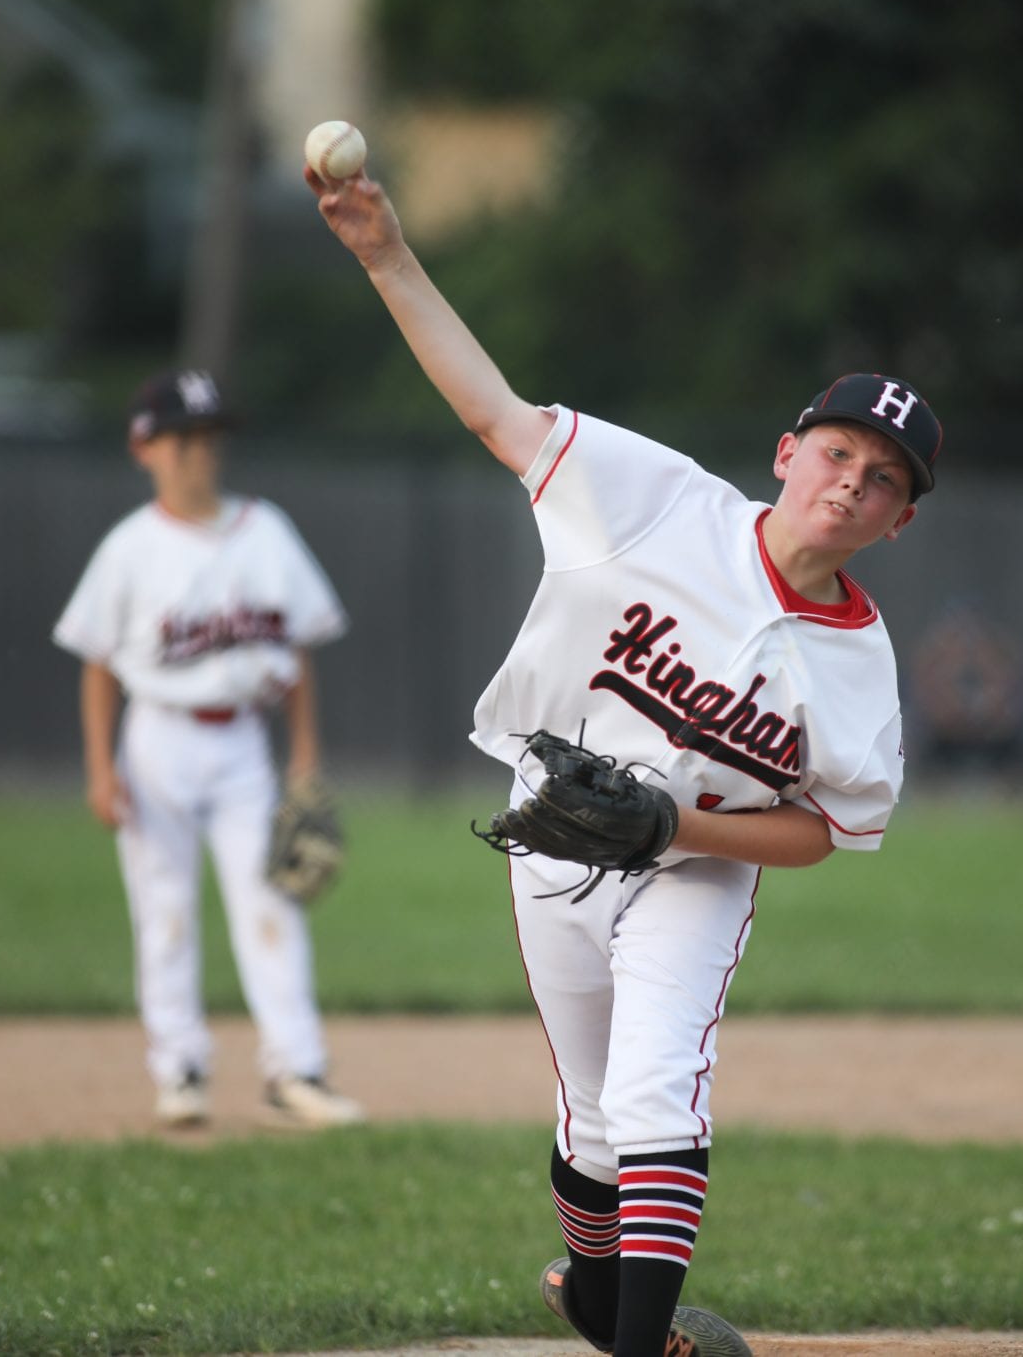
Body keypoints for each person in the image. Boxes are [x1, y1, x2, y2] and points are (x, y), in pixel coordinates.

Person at [309, 164, 941, 1357]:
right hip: (554, 832)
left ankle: (632, 1340)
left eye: (882, 480)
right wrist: (385, 254)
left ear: (898, 521)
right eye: (837, 454)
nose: (850, 483)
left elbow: (831, 828)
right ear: (786, 452)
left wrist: (677, 831)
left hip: (697, 870)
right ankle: (600, 1304)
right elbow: (497, 415)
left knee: (656, 1089)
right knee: (590, 1118)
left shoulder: (860, 665)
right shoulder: (657, 501)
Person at [52, 369, 364, 1130]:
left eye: (209, 436)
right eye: (182, 438)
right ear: (144, 448)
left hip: (243, 747)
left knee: (272, 905)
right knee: (164, 909)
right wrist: (100, 768)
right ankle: (180, 1069)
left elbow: (295, 656)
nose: (199, 453)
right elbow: (96, 662)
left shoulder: (266, 530)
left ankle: (295, 1072)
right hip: (156, 737)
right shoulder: (129, 548)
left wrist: (306, 755)